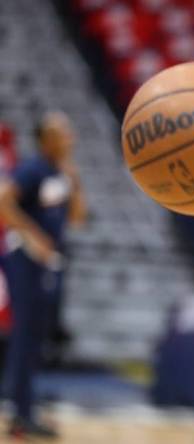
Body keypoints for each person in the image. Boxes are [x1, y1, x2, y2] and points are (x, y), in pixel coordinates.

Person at [0, 112, 86, 439]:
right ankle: (19, 413)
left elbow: (77, 218)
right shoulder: (31, 168)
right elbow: (3, 202)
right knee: (25, 335)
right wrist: (35, 235)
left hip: (50, 262)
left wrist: (75, 183)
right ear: (45, 139)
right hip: (25, 257)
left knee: (38, 336)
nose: (70, 137)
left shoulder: (62, 173)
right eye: (62, 131)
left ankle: (26, 409)